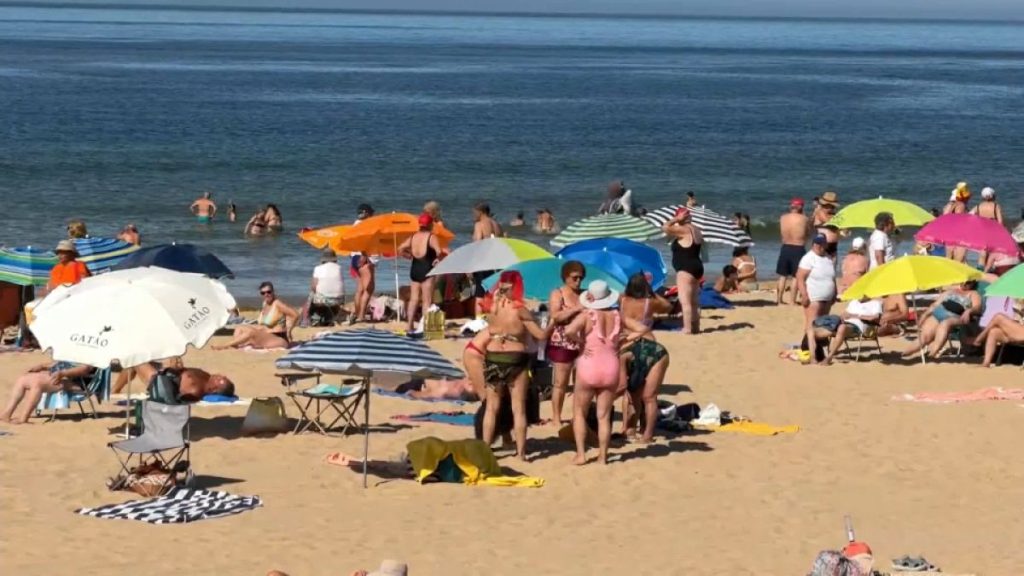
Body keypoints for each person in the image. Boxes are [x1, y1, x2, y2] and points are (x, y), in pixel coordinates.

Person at [563, 280, 646, 465]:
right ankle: (603, 456)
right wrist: (624, 342)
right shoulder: (618, 315)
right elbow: (642, 328)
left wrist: (580, 342)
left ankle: (581, 454)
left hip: (589, 365)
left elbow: (568, 331)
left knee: (579, 412)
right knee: (604, 416)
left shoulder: (586, 315)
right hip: (610, 366)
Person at [480, 271, 549, 461]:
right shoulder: (520, 309)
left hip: (493, 356)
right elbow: (541, 335)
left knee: (491, 407)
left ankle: (486, 450)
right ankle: (520, 453)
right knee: (518, 408)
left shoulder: (491, 307)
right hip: (515, 357)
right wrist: (553, 324)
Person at [618, 272, 670, 442]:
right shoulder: (650, 301)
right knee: (649, 397)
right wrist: (652, 292)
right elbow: (668, 306)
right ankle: (647, 434)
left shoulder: (622, 299)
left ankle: (628, 429)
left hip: (627, 345)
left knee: (630, 393)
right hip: (650, 347)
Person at [546, 261, 586, 425]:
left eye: (581, 278)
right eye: (574, 278)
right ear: (566, 277)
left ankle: (578, 415)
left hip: (581, 342)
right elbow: (556, 316)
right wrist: (577, 309)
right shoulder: (558, 293)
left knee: (580, 383)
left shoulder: (584, 294)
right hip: (561, 342)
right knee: (560, 383)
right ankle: (557, 417)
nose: (578, 282)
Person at [902, 281, 982, 359]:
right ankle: (904, 354)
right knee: (924, 336)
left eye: (967, 283)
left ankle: (932, 354)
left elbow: (978, 307)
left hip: (957, 317)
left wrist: (969, 311)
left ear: (972, 284)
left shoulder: (973, 293)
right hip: (938, 313)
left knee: (945, 323)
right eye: (962, 281)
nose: (964, 284)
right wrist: (925, 315)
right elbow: (935, 304)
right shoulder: (951, 291)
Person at [1, 361, 96, 423]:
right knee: (22, 379)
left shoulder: (93, 350)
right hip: (64, 376)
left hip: (79, 383)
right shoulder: (76, 346)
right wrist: (42, 366)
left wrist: (63, 373)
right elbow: (63, 362)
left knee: (38, 383)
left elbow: (85, 369)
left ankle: (23, 418)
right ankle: (7, 414)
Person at [214, 282, 298, 350]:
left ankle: (225, 345)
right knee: (239, 328)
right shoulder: (265, 303)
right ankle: (237, 344)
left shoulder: (277, 304)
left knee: (251, 332)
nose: (266, 294)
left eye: (269, 292)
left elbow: (295, 314)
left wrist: (289, 329)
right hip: (266, 334)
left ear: (273, 292)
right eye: (263, 293)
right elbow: (263, 325)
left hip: (279, 338)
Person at [398, 212, 444, 333]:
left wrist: (407, 256)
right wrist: (437, 260)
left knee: (413, 300)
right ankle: (425, 328)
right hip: (427, 269)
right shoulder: (431, 237)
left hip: (415, 269)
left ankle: (409, 326)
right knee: (426, 301)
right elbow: (439, 252)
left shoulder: (413, 236)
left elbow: (400, 248)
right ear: (429, 225)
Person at [796, 234, 837, 363]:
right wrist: (804, 295)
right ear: (813, 244)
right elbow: (800, 278)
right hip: (814, 296)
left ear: (825, 244)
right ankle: (811, 354)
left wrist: (834, 292)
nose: (819, 246)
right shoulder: (808, 258)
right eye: (817, 243)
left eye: (821, 243)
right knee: (811, 325)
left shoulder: (828, 258)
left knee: (822, 326)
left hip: (827, 297)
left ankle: (816, 350)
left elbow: (832, 277)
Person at [663, 207, 704, 334]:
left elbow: (664, 227)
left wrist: (676, 219)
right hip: (697, 266)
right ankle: (696, 328)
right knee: (694, 302)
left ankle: (687, 328)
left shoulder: (684, 230)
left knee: (685, 301)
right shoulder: (696, 229)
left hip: (686, 268)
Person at [132, 361, 234, 404]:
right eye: (224, 377)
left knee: (135, 358)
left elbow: (171, 393)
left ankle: (115, 392)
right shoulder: (205, 375)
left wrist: (170, 369)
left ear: (214, 390)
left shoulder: (195, 390)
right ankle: (115, 391)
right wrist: (177, 365)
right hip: (166, 371)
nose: (221, 376)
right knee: (132, 359)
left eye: (221, 380)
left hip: (158, 381)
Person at [822, 297, 883, 365]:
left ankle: (829, 357)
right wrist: (844, 316)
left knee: (842, 328)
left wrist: (854, 316)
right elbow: (843, 315)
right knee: (822, 327)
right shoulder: (854, 302)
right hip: (845, 324)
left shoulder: (875, 303)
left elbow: (874, 318)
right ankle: (816, 355)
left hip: (859, 327)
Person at [776, 198, 812, 305]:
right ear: (800, 207)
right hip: (798, 248)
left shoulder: (783, 218)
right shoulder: (804, 219)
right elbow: (808, 233)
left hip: (785, 247)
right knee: (796, 276)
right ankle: (792, 301)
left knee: (782, 276)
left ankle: (779, 300)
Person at [471, 202, 503, 316]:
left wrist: (472, 263)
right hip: (497, 262)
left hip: (483, 262)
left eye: (474, 212)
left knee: (479, 294)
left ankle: (479, 322)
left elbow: (478, 243)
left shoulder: (479, 224)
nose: (473, 215)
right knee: (494, 292)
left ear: (481, 212)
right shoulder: (497, 224)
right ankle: (495, 318)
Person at [351, 204, 377, 325]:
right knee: (368, 289)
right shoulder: (363, 225)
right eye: (371, 213)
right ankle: (361, 316)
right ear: (366, 213)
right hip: (363, 257)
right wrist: (365, 255)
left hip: (354, 257)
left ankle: (357, 314)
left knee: (360, 289)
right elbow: (362, 241)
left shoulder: (355, 224)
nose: (372, 216)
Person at [311, 248, 345, 314]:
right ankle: (334, 313)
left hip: (322, 301)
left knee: (311, 294)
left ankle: (314, 316)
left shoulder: (317, 268)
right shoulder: (339, 268)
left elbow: (313, 287)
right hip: (339, 299)